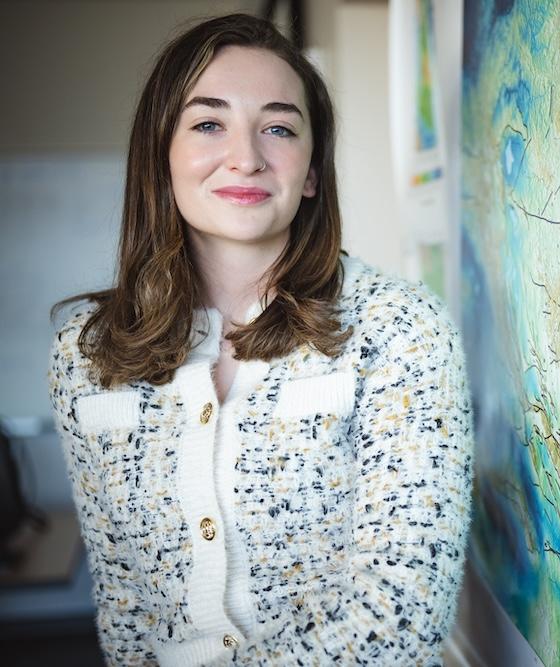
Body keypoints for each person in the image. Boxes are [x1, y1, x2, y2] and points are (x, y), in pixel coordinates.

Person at [47, 13, 473, 666]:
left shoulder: (399, 327)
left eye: (278, 127)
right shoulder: (86, 349)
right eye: (209, 123)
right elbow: (123, 603)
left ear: (309, 171)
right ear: (161, 153)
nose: (246, 156)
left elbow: (402, 610)